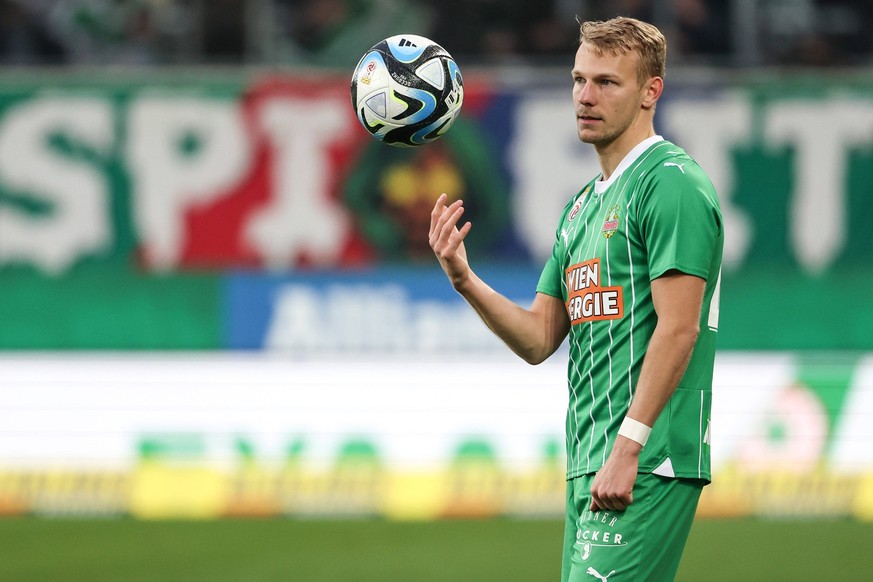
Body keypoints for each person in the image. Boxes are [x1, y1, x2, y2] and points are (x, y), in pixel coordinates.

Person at [429, 16, 723, 581]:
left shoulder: (671, 185)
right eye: (578, 79)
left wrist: (629, 447)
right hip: (591, 459)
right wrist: (465, 279)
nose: (585, 97)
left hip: (648, 458)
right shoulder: (581, 208)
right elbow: (540, 337)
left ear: (650, 91)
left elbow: (679, 327)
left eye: (607, 82)